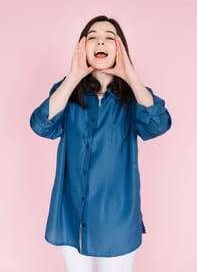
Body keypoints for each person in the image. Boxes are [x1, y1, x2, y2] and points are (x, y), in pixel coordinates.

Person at [29, 15, 172, 272]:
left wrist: (131, 76)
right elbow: (41, 125)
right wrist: (74, 76)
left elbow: (157, 125)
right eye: (92, 37)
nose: (100, 42)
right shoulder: (66, 92)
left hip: (117, 220)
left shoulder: (135, 96)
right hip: (72, 217)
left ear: (120, 49)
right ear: (82, 48)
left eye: (109, 37)